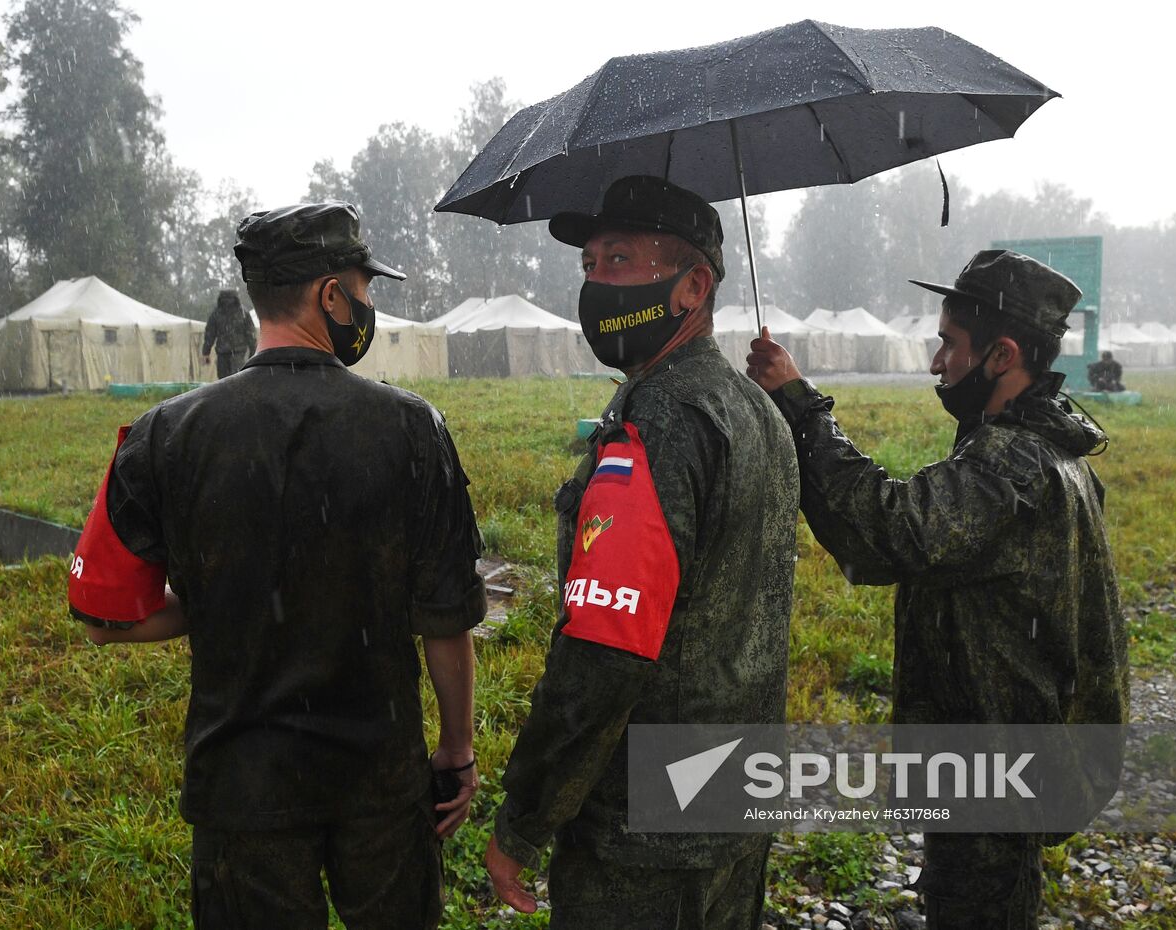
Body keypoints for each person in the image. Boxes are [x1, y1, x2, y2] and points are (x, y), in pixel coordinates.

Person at [67, 201, 487, 930]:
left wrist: (224, 599)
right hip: (379, 782)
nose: (369, 304)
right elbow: (445, 619)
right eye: (365, 288)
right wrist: (457, 749)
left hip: (242, 790)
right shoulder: (413, 428)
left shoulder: (164, 435)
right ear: (332, 295)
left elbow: (104, 619)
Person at [746, 249, 1129, 930]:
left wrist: (800, 407)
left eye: (949, 345)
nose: (935, 363)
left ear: (1003, 355)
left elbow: (890, 532)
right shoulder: (1042, 447)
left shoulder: (1012, 463)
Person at [484, 175, 799, 929]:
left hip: (644, 835)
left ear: (692, 287)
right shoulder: (759, 409)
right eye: (589, 265)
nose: (595, 284)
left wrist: (523, 821)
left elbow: (605, 650)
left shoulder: (658, 421)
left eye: (620, 260)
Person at [201, 288, 257, 378]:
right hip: (238, 353)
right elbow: (251, 334)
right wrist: (253, 353)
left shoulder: (216, 313)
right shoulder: (243, 313)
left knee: (223, 383)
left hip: (223, 354)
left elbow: (209, 335)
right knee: (238, 381)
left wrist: (206, 352)